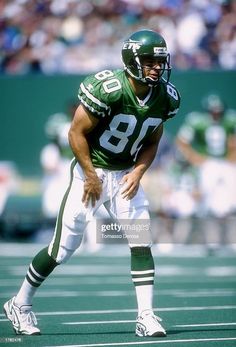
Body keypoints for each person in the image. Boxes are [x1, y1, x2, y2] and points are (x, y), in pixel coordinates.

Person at [3, 29, 180, 338]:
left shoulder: (165, 97)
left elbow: (153, 139)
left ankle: (146, 315)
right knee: (62, 249)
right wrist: (89, 175)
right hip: (92, 173)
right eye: (150, 61)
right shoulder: (109, 88)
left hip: (125, 176)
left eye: (160, 61)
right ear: (132, 61)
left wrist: (138, 172)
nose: (156, 67)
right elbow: (75, 133)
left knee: (141, 240)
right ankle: (20, 303)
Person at [176, 93, 236, 246]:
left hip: (227, 164)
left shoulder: (230, 120)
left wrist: (232, 155)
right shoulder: (197, 121)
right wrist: (195, 158)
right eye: (212, 111)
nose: (215, 114)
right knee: (205, 203)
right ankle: (209, 240)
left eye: (218, 111)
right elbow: (182, 141)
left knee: (231, 203)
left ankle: (231, 240)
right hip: (208, 163)